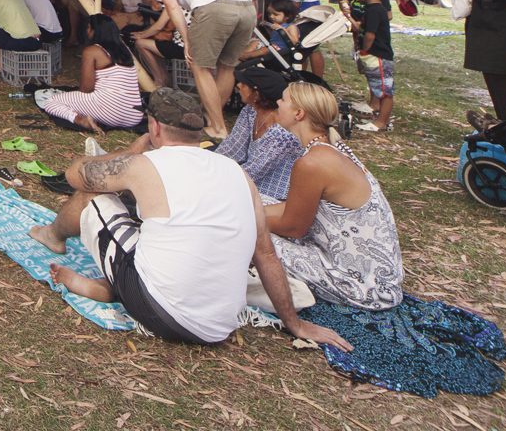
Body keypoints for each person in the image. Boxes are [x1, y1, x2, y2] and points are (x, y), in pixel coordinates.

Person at [27, 89, 348, 349]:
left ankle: (52, 236)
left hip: (162, 312)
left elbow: (75, 176)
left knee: (91, 199)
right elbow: (265, 254)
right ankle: (112, 282)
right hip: (221, 324)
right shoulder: (237, 174)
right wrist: (294, 324)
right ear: (198, 133)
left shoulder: (144, 165)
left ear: (154, 127)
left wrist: (134, 149)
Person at [264, 81, 405, 310]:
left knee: (243, 233)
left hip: (359, 286)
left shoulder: (313, 162)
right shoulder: (329, 149)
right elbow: (293, 210)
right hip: (379, 283)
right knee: (256, 203)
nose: (278, 103)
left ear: (299, 113)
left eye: (283, 99)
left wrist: (242, 214)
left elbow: (292, 227)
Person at [143, 0, 257, 139]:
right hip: (247, 7)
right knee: (227, 67)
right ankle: (213, 119)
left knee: (199, 66)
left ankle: (218, 128)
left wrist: (186, 38)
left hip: (216, 7)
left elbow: (173, 7)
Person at [213, 64, 306, 202]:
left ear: (256, 94)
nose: (238, 85)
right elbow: (232, 148)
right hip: (247, 180)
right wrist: (210, 165)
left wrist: (215, 181)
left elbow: (255, 170)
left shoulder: (283, 134)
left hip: (274, 195)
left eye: (244, 84)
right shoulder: (250, 111)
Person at [36, 15, 143, 132]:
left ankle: (82, 121)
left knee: (51, 102)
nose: (86, 31)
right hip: (134, 116)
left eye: (88, 27)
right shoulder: (124, 49)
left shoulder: (92, 51)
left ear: (94, 30)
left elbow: (86, 89)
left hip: (110, 111)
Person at [344, 0, 395, 132]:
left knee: (385, 91)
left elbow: (370, 34)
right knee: (378, 86)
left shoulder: (375, 10)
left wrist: (364, 49)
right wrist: (348, 16)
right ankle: (378, 115)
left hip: (378, 55)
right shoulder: (371, 8)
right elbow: (361, 27)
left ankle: (381, 122)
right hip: (374, 54)